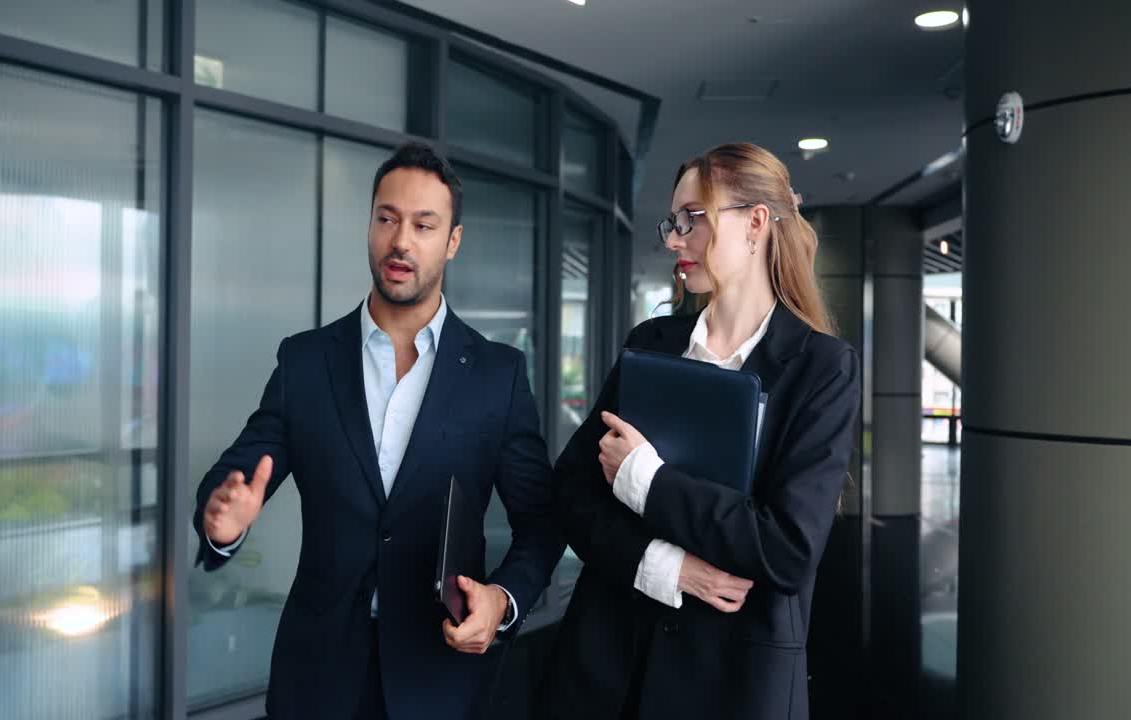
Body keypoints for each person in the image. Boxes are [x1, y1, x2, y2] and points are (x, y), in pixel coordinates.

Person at [192, 142, 563, 720]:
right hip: (315, 679)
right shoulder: (306, 362)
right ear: (369, 225)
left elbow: (541, 524)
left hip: (437, 676)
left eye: (423, 224)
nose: (401, 241)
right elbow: (237, 475)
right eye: (387, 218)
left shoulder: (499, 376)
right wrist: (222, 521)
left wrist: (502, 600)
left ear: (453, 241)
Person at [539, 143, 861, 720]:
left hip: (734, 683)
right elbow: (571, 491)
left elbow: (786, 549)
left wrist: (646, 480)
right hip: (609, 671)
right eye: (673, 221)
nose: (673, 239)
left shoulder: (822, 367)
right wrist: (667, 567)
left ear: (755, 223)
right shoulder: (651, 342)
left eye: (692, 219)